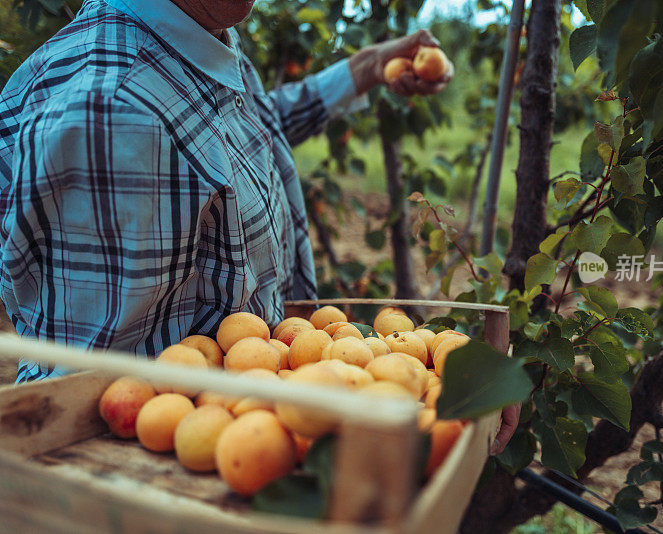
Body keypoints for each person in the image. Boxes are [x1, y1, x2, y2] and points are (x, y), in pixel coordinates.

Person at [0, 0, 518, 453]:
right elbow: (89, 405)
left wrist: (366, 67)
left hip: (259, 392)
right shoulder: (116, 112)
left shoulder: (196, 35)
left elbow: (243, 127)